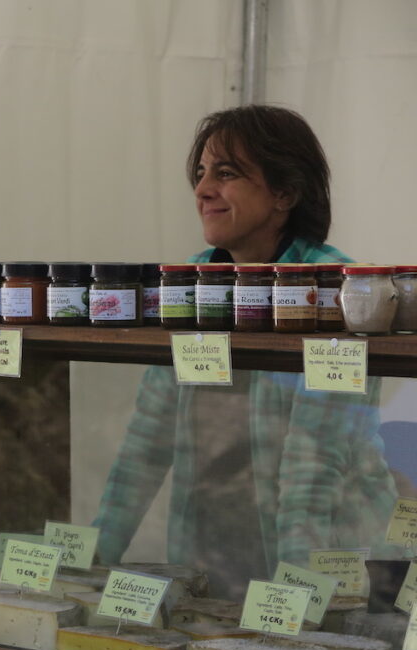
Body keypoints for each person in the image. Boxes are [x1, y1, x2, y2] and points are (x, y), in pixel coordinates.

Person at [92, 105, 399, 600]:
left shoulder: (340, 290)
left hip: (330, 566)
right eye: (200, 174)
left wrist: (299, 601)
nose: (203, 189)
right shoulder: (186, 285)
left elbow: (312, 472)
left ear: (284, 193)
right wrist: (89, 565)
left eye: (226, 173)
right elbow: (144, 450)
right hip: (212, 562)